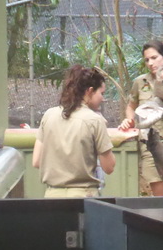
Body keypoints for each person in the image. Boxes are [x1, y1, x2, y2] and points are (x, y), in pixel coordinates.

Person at [32, 65, 120, 198]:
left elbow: (37, 161)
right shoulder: (95, 120)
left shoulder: (49, 115)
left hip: (52, 197)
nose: (103, 98)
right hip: (84, 197)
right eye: (101, 93)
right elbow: (109, 167)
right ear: (89, 91)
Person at [117, 41, 163, 197]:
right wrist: (130, 120)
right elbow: (131, 106)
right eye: (147, 60)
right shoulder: (141, 82)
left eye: (154, 57)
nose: (150, 63)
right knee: (159, 196)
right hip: (150, 145)